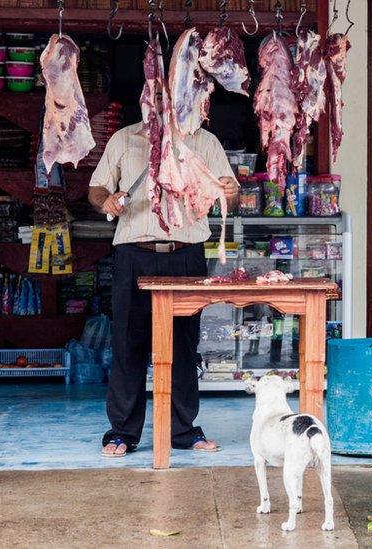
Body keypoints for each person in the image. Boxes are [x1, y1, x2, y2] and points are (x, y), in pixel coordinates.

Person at [89, 117, 239, 458]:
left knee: (183, 344)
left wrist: (231, 191)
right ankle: (122, 432)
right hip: (134, 253)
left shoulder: (205, 141)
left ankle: (183, 431)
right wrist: (107, 201)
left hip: (184, 255)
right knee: (128, 343)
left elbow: (231, 198)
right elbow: (96, 189)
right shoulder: (125, 138)